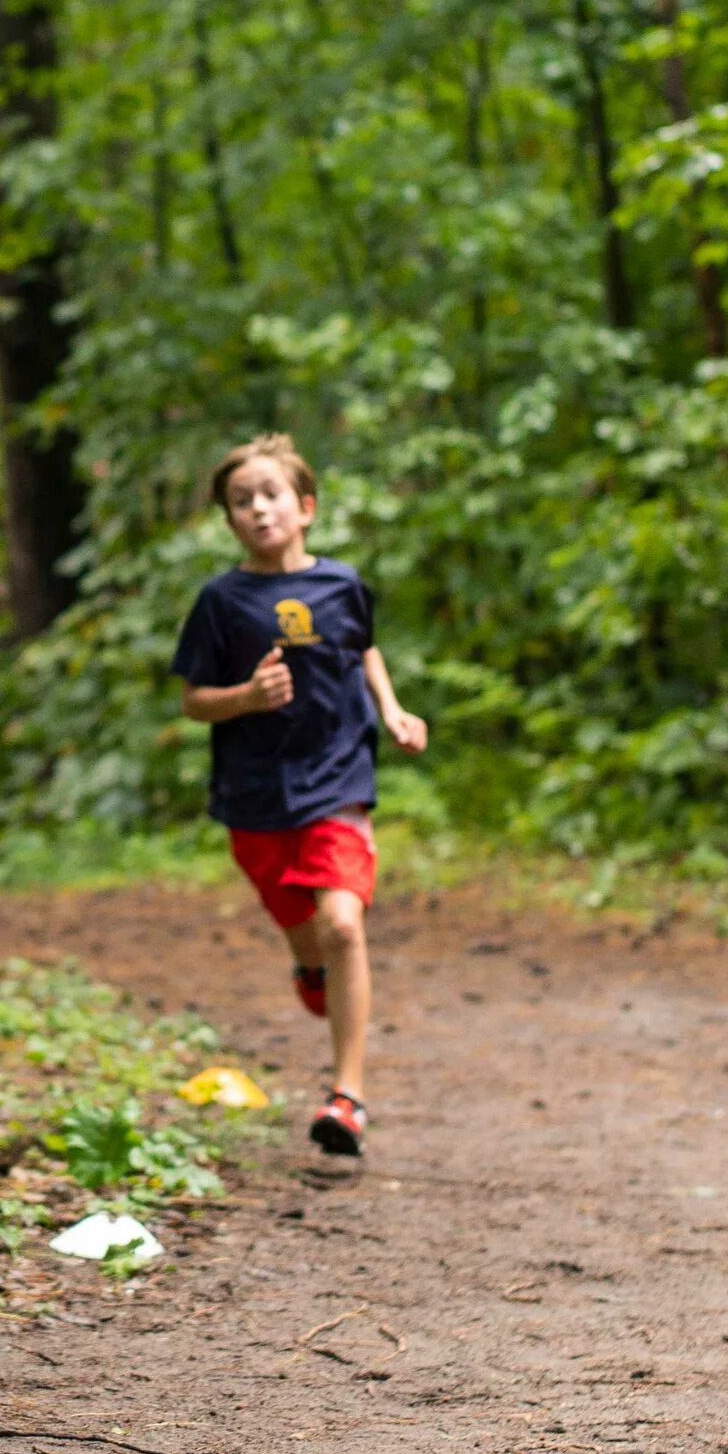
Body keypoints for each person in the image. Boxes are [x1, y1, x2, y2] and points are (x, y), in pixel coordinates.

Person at [170, 434, 427, 1156]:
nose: (258, 509)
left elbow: (364, 647)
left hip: (340, 780)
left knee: (344, 924)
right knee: (310, 934)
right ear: (229, 520)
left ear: (305, 507)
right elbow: (194, 701)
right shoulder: (220, 602)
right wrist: (247, 697)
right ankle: (310, 969)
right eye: (241, 501)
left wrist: (393, 710)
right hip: (255, 796)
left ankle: (346, 1098)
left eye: (271, 495)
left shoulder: (343, 585)